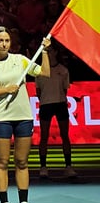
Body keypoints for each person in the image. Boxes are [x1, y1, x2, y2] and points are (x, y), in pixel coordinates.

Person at [0, 26, 51, 203]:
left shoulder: (20, 60)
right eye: (0, 40)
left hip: (23, 116)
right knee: (2, 162)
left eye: (7, 40)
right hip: (2, 117)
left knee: (22, 161)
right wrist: (5, 90)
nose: (4, 44)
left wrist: (44, 51)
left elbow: (45, 72)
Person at [36, 44, 77, 179]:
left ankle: (68, 166)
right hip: (45, 105)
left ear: (55, 52)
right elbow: (38, 91)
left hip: (60, 104)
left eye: (50, 51)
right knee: (44, 136)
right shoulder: (40, 71)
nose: (48, 53)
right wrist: (45, 100)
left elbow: (65, 90)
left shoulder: (63, 70)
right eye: (45, 51)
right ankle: (43, 167)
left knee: (65, 135)